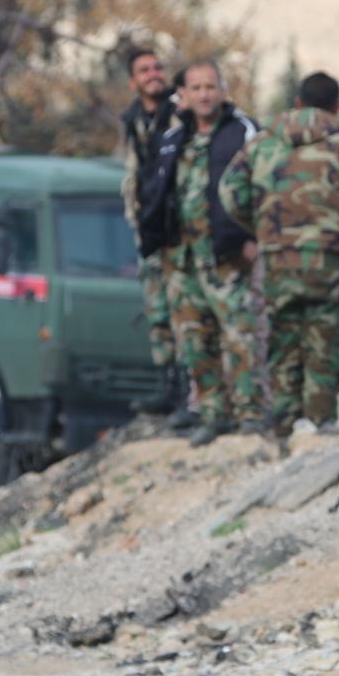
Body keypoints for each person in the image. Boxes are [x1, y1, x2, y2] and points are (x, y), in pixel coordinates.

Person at [219, 71, 339, 438]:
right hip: (330, 261)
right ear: (337, 106)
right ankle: (322, 421)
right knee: (326, 340)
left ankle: (281, 421)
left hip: (278, 260)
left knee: (281, 338)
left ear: (297, 102)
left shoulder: (262, 144)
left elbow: (230, 192)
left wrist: (262, 229)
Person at [138, 59, 264, 447]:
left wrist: (253, 237)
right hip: (181, 261)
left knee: (239, 336)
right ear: (185, 95)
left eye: (211, 87)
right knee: (195, 339)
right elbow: (153, 191)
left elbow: (266, 186)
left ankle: (250, 416)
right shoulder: (174, 138)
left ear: (223, 90)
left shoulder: (243, 132)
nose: (205, 94)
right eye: (197, 88)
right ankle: (212, 414)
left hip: (225, 256)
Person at [119, 48, 193, 424]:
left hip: (178, 229)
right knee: (158, 313)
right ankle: (167, 389)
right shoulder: (133, 120)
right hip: (149, 228)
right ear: (133, 82)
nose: (154, 74)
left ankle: (188, 396)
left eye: (158, 67)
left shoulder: (181, 112)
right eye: (144, 70)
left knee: (184, 314)